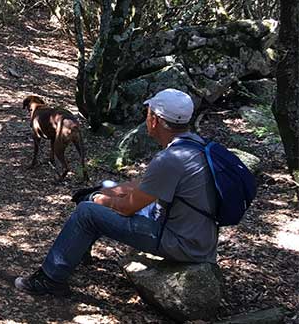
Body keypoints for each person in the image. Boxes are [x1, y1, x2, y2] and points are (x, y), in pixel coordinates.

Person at [14, 88, 219, 296]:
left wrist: (97, 198)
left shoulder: (170, 159)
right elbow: (142, 184)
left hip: (180, 242)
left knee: (87, 211)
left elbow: (127, 207)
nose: (146, 117)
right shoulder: (194, 146)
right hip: (194, 234)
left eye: (148, 113)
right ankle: (78, 250)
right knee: (106, 184)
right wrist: (105, 190)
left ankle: (50, 280)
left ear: (155, 120)